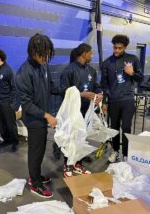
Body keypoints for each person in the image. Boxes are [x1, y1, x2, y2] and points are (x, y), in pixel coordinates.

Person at [16, 33, 59, 198]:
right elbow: (26, 104)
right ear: (33, 51)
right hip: (34, 120)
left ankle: (36, 175)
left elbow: (51, 87)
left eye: (48, 54)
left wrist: (71, 91)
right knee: (36, 151)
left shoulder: (44, 65)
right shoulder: (23, 73)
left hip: (42, 117)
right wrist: (47, 115)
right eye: (42, 54)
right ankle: (35, 183)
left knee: (41, 150)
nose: (45, 57)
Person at [61, 43, 102, 177]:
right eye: (91, 53)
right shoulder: (69, 70)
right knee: (70, 138)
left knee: (81, 138)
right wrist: (81, 94)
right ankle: (67, 165)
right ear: (84, 54)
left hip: (86, 111)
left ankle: (78, 164)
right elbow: (63, 91)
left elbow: (96, 86)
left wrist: (100, 94)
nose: (92, 55)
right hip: (73, 111)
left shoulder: (91, 70)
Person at [101, 34, 144, 162]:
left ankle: (125, 154)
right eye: (115, 48)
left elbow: (141, 78)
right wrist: (104, 101)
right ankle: (115, 151)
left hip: (128, 99)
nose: (116, 50)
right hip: (114, 100)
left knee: (126, 127)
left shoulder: (133, 59)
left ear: (125, 47)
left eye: (120, 48)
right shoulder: (107, 62)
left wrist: (132, 73)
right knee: (113, 128)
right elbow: (104, 84)